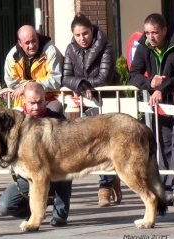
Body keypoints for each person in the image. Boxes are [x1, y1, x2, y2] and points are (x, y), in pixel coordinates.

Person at [61, 13, 121, 207]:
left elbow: (104, 77)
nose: (82, 39)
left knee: (105, 144)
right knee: (91, 144)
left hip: (107, 102)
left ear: (92, 30)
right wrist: (81, 85)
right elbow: (65, 77)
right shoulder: (71, 49)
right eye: (78, 35)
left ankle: (105, 187)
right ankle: (112, 180)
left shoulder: (106, 47)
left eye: (85, 34)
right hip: (85, 102)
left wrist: (86, 86)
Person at [0, 82, 72, 227]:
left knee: (66, 168)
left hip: (57, 170)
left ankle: (60, 215)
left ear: (46, 100)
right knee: (4, 206)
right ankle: (36, 213)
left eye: (40, 102)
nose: (36, 107)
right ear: (24, 100)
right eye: (32, 103)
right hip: (29, 173)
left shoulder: (57, 118)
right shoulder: (14, 122)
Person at [129, 13, 174, 207]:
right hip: (162, 107)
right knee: (164, 144)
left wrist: (161, 88)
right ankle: (167, 189)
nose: (151, 37)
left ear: (165, 31)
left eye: (155, 33)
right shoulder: (144, 46)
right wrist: (150, 83)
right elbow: (134, 75)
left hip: (171, 97)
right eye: (148, 33)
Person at [4, 25, 63, 113]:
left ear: (37, 37)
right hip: (23, 102)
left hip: (48, 99)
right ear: (20, 43)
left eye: (33, 41)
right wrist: (28, 91)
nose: (31, 46)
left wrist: (25, 87)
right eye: (27, 43)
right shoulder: (12, 57)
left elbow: (55, 80)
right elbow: (11, 82)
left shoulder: (50, 52)